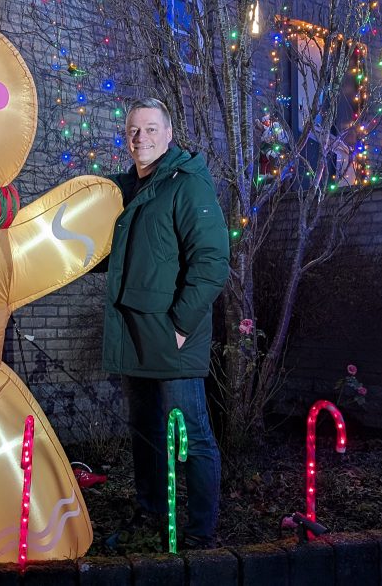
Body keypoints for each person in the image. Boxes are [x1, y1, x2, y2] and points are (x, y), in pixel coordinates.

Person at [102, 97, 230, 549]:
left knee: (190, 434)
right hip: (136, 333)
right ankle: (151, 512)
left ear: (169, 134)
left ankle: (199, 533)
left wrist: (180, 324)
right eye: (135, 130)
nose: (142, 139)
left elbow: (213, 262)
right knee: (147, 434)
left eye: (151, 129)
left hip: (173, 336)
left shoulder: (187, 185)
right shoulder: (128, 189)